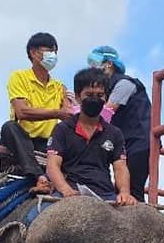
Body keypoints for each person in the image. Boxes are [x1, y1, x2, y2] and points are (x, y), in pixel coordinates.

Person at [45, 68, 135, 205]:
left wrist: (124, 192)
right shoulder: (62, 129)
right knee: (35, 216)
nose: (95, 99)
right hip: (72, 189)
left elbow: (120, 167)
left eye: (100, 95)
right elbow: (52, 165)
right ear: (77, 96)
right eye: (89, 94)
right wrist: (65, 190)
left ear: (106, 97)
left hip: (105, 193)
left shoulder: (114, 133)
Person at [1, 32, 72, 193]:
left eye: (55, 52)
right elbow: (22, 112)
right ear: (33, 53)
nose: (53, 56)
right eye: (48, 51)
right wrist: (57, 113)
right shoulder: (19, 77)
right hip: (22, 138)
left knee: (70, 137)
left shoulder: (59, 86)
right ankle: (40, 178)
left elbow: (68, 113)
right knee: (9, 127)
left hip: (48, 142)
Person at [87, 46, 153, 202]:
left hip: (139, 142)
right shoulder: (109, 87)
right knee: (120, 190)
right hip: (125, 142)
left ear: (108, 63)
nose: (92, 68)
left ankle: (141, 224)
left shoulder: (124, 84)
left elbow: (106, 111)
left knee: (132, 190)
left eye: (94, 62)